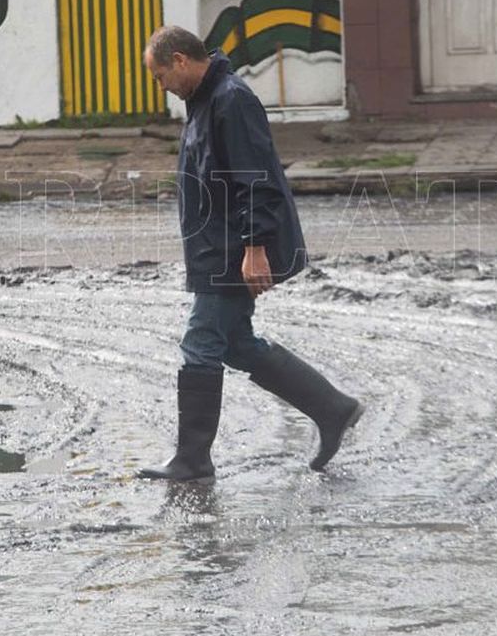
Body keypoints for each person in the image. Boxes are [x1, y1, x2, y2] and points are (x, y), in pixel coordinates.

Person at [137, 25, 364, 483]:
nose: (161, 87)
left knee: (200, 344)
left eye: (161, 76)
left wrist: (255, 248)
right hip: (215, 250)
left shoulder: (230, 100)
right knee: (236, 343)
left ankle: (193, 460)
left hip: (233, 250)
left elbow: (255, 178)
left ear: (180, 60)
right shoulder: (204, 101)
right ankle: (333, 408)